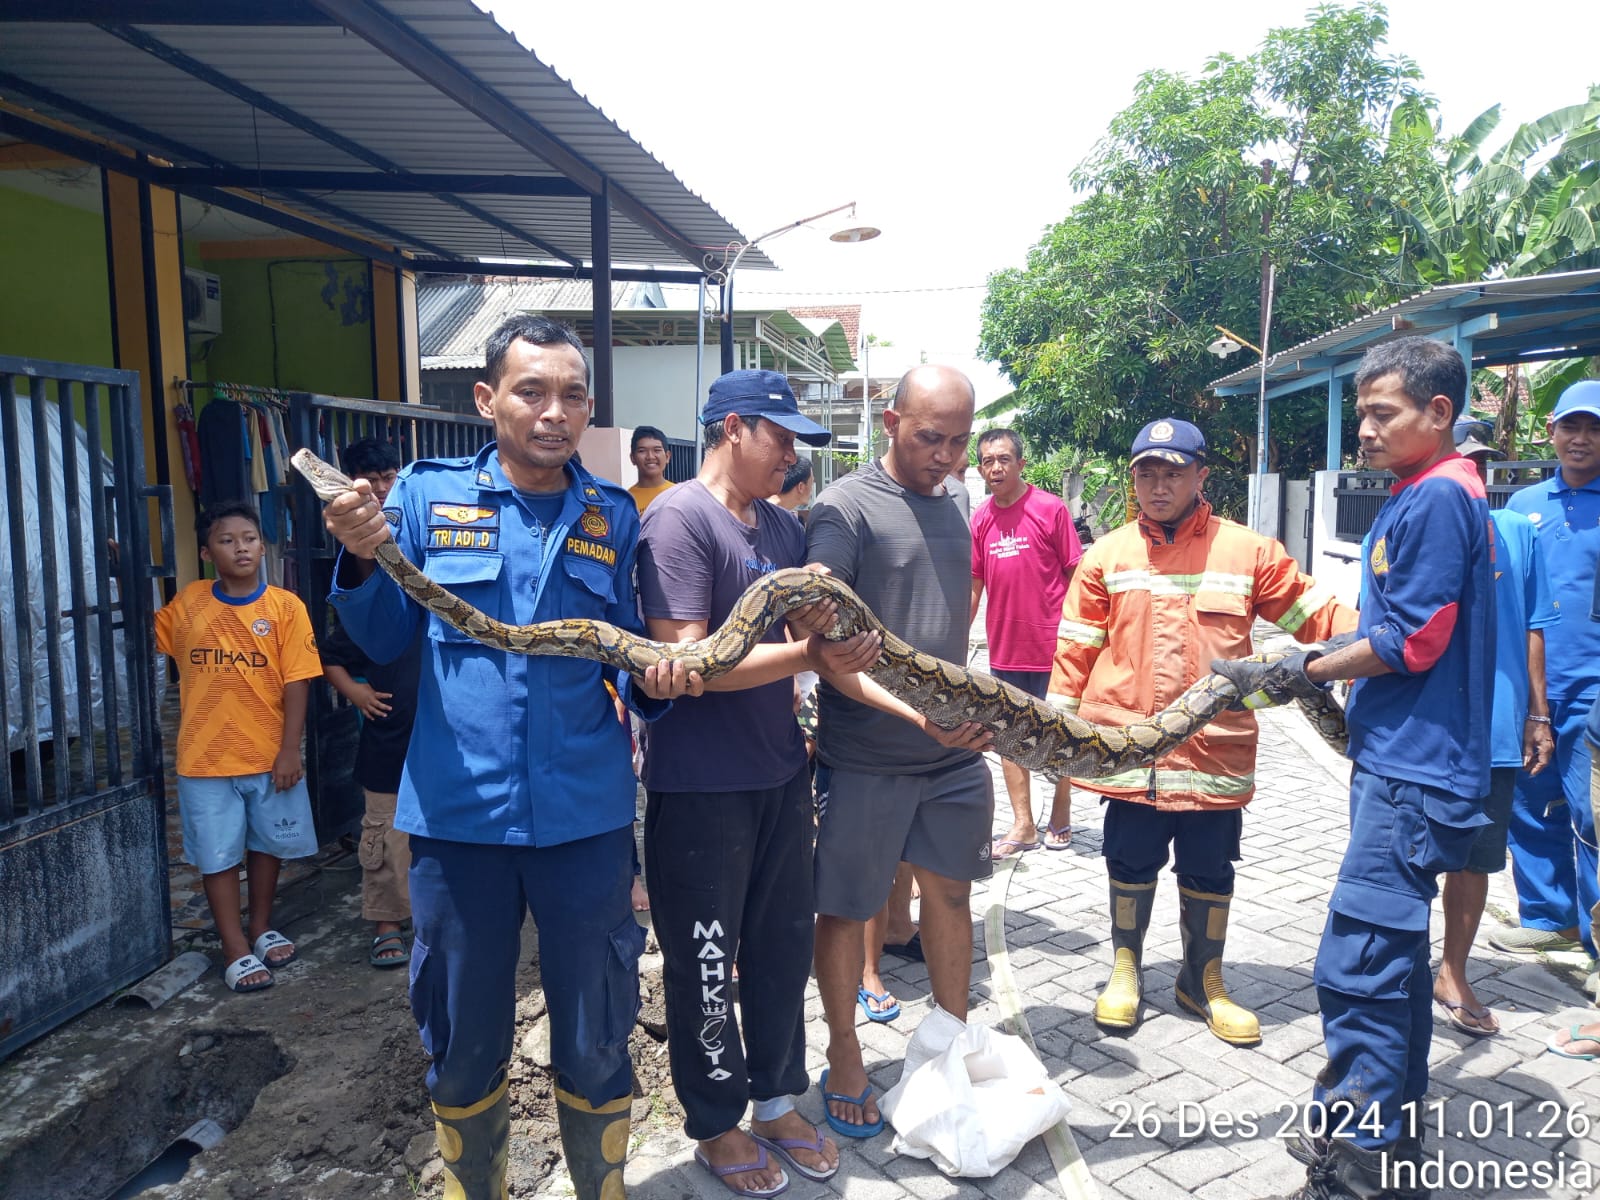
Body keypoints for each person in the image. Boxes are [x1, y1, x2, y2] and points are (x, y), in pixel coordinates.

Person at [318, 315, 699, 1200]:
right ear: (488, 399)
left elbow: (632, 659)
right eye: (532, 390)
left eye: (571, 394)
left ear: (589, 408)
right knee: (461, 1037)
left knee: (599, 1032)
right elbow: (380, 636)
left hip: (585, 819)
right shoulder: (423, 497)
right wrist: (360, 556)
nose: (553, 411)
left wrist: (661, 680)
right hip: (460, 820)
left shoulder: (610, 514)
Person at [1212, 336, 1494, 1197]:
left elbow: (1414, 640)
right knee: (1399, 962)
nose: (1362, 431)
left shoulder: (1440, 499)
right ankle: (1391, 1144)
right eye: (1361, 413)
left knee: (1360, 963)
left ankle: (1355, 1165)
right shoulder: (1426, 491)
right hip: (1408, 760)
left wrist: (1297, 670)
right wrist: (1315, 655)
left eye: (1382, 414)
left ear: (1437, 414)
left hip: (1414, 770)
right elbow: (1397, 624)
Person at [637, 368, 880, 1196]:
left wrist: (924, 721)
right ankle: (714, 1120)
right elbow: (694, 663)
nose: (791, 454)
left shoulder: (779, 527)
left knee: (779, 951)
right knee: (707, 960)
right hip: (701, 786)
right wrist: (812, 654)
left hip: (779, 771)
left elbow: (827, 645)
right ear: (732, 428)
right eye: (780, 437)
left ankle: (777, 1098)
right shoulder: (677, 519)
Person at [1049, 418, 1355, 1047]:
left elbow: (1314, 613)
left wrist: (1382, 641)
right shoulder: (1105, 555)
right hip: (1128, 752)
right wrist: (1055, 733)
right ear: (1133, 475)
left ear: (1201, 475)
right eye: (1147, 473)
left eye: (1174, 472)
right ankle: (1125, 969)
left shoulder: (1248, 552)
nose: (1159, 486)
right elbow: (1075, 650)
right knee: (1128, 859)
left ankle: (1203, 979)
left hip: (1215, 754)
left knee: (1210, 869)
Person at [806, 364, 994, 1139]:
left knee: (951, 898)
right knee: (848, 909)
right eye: (929, 438)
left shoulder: (956, 501)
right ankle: (845, 1053)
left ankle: (948, 1043)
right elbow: (820, 650)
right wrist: (918, 718)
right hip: (868, 756)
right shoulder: (842, 509)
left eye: (958, 441)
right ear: (890, 422)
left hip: (953, 753)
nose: (945, 456)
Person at [153, 501, 322, 994]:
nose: (241, 547)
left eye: (249, 537)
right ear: (207, 552)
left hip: (270, 754)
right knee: (217, 855)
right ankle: (234, 947)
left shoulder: (286, 608)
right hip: (203, 759)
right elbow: (147, 632)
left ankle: (261, 926)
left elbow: (297, 683)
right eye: (227, 540)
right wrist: (123, 571)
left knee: (268, 845)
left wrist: (291, 749)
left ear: (262, 545)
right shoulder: (189, 603)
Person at [1431, 421, 1556, 1036]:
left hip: (1497, 729)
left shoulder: (1515, 532)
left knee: (1476, 859)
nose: (1469, 473)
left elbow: (1534, 625)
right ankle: (1393, 969)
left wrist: (1539, 715)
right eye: (1459, 460)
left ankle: (1453, 968)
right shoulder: (1411, 521)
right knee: (1407, 853)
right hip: (1425, 729)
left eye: (1478, 462)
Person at [1496, 380, 1600, 963]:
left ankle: (1597, 942)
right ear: (1552, 430)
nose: (1581, 439)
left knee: (1592, 812)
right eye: (1572, 427)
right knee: (1530, 802)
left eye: (1595, 429)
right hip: (1530, 683)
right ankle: (1546, 915)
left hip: (1594, 688)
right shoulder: (1521, 506)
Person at [318, 437, 421, 969]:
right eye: (370, 478)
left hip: (436, 729)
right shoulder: (359, 561)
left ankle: (426, 917)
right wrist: (354, 690)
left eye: (388, 476)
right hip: (387, 734)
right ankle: (386, 921)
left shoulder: (417, 546)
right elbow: (331, 651)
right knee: (384, 829)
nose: (380, 488)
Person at [970, 428, 1083, 856]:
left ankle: (1060, 811)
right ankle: (1023, 825)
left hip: (1053, 648)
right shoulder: (981, 518)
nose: (994, 467)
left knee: (1059, 735)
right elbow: (974, 584)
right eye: (986, 461)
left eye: (1002, 459)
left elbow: (1077, 576)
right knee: (1007, 737)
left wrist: (1084, 640)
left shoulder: (1049, 509)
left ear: (1021, 463)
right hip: (1004, 648)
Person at [628, 424, 675, 513]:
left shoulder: (679, 494)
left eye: (657, 450)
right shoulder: (627, 500)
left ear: (667, 456)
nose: (650, 457)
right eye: (642, 451)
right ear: (632, 458)